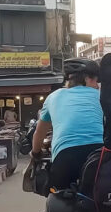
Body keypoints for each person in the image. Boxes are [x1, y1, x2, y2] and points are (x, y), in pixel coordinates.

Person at [32, 58, 103, 190]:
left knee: (58, 195)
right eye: (95, 80)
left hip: (65, 157)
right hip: (99, 154)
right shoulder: (101, 96)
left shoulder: (53, 97)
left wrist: (36, 153)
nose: (97, 86)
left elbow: (39, 133)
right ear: (86, 79)